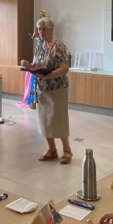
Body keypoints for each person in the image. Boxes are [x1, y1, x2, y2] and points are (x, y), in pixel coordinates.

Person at [20, 17, 72, 164]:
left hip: (57, 88)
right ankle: (52, 149)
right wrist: (28, 65)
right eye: (39, 29)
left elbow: (64, 68)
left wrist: (49, 75)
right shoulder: (40, 46)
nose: (41, 32)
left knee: (58, 118)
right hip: (42, 87)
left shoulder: (59, 46)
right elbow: (36, 64)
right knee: (45, 119)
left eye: (44, 29)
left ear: (51, 30)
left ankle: (67, 150)